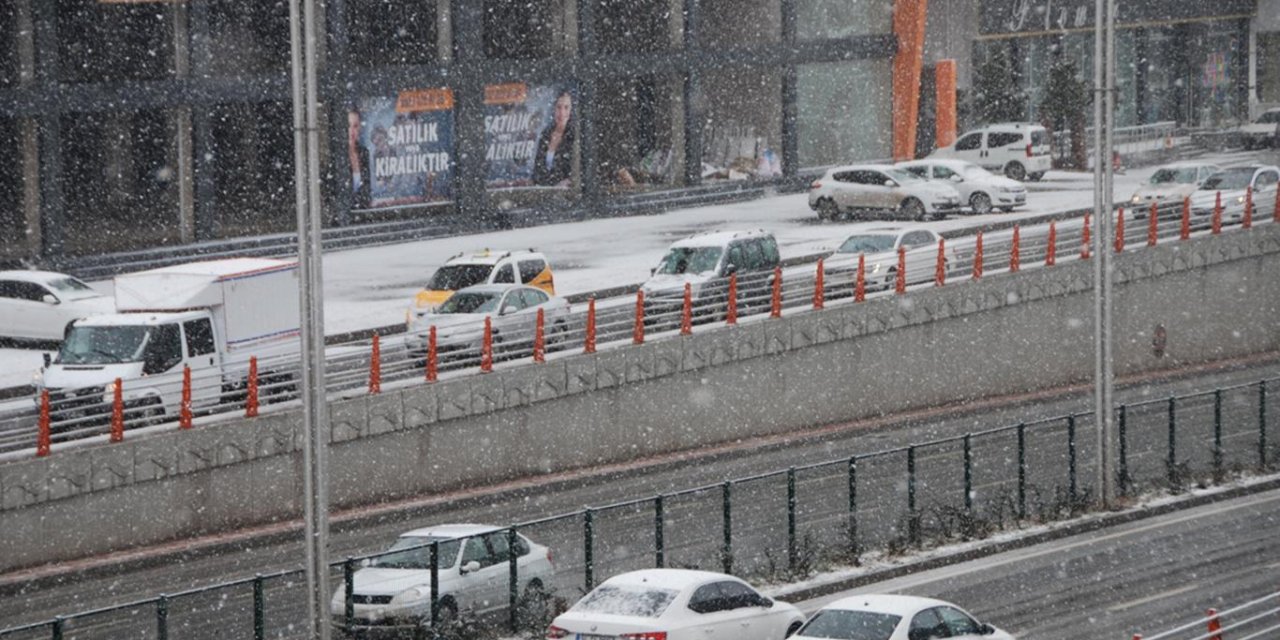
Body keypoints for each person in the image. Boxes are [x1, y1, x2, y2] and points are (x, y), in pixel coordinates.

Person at [533, 90, 575, 187]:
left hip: (566, 196)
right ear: (554, 109)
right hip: (544, 192)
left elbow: (578, 172)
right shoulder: (545, 134)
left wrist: (568, 182)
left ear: (571, 110)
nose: (562, 112)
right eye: (558, 107)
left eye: (566, 107)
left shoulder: (575, 135)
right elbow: (537, 170)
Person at [347, 109, 371, 209]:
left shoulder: (364, 152)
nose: (352, 131)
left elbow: (367, 187)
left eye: (355, 126)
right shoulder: (340, 154)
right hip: (345, 214)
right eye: (348, 126)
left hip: (362, 212)